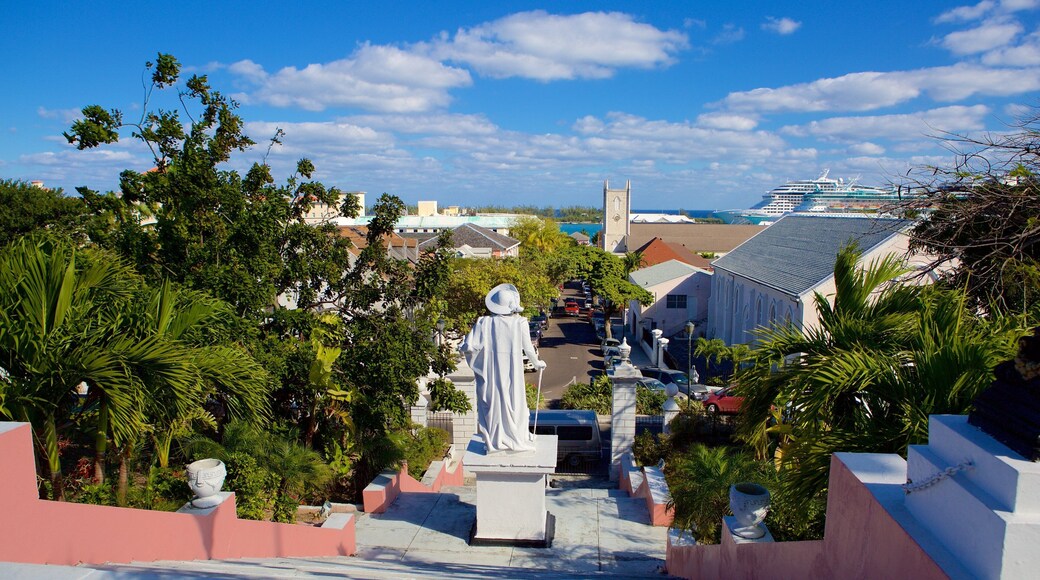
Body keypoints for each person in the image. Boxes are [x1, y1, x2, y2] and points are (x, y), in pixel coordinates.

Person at [461, 283, 546, 453]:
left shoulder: (483, 322)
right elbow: (528, 348)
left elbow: (469, 346)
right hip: (512, 372)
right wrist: (537, 363)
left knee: (494, 402)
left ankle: (496, 438)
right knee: (515, 401)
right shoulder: (519, 323)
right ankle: (516, 436)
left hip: (491, 372)